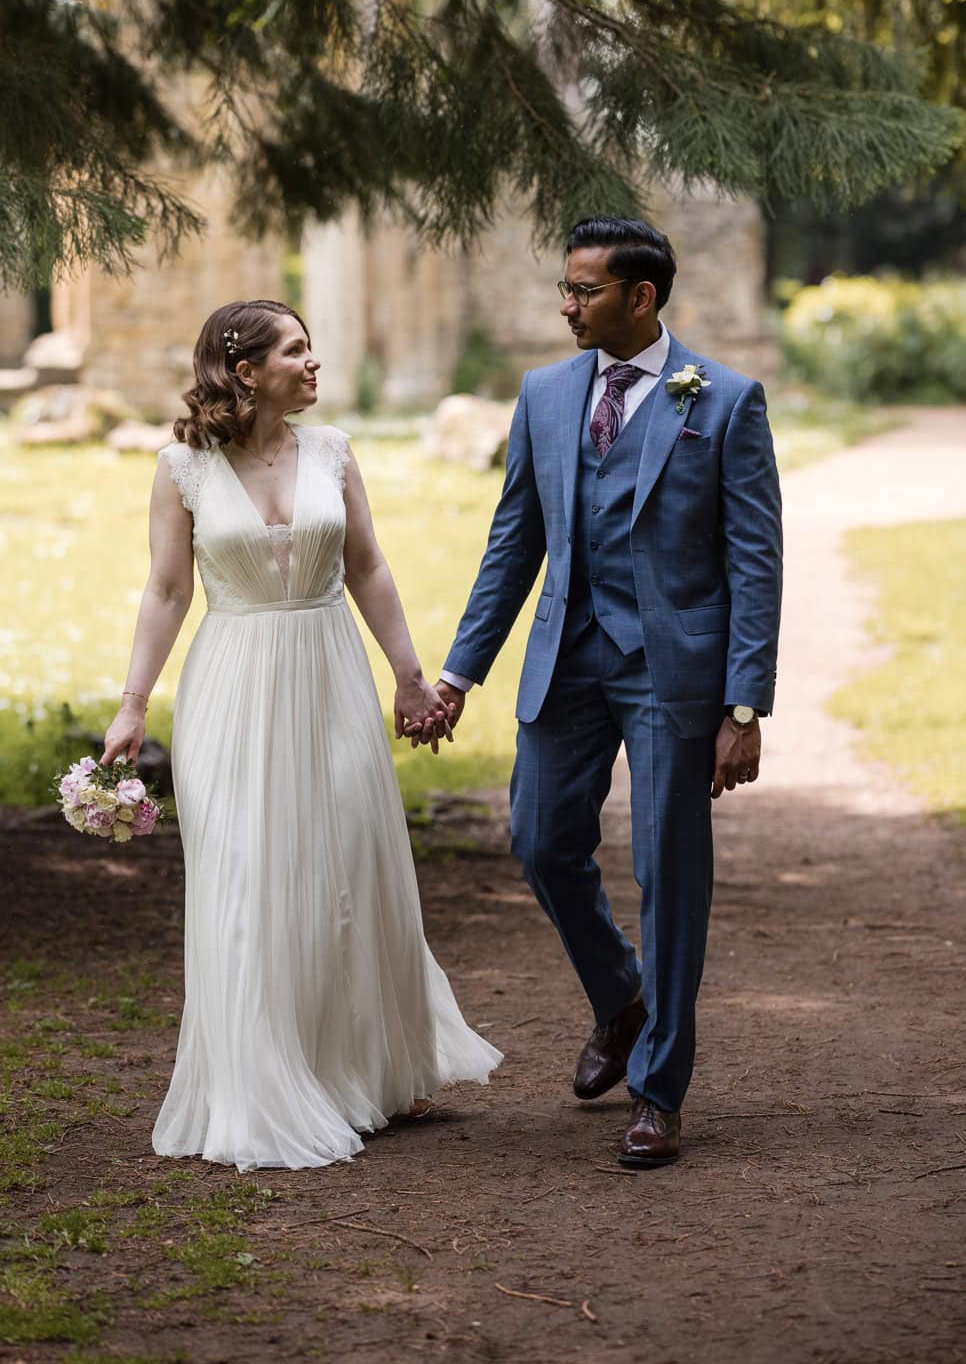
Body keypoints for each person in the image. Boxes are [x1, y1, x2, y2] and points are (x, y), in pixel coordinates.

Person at [103, 298, 501, 1172]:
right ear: (244, 371)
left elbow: (367, 566)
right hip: (234, 685)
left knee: (347, 863)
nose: (314, 363)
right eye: (296, 350)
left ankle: (366, 1070)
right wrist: (133, 704)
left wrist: (408, 676)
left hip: (330, 677)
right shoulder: (182, 467)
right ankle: (260, 1080)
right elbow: (167, 591)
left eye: (314, 347)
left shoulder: (333, 452)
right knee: (247, 870)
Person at [426, 217, 782, 1168]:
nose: (564, 305)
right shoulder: (544, 394)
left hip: (674, 672)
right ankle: (622, 998)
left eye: (583, 291)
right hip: (566, 658)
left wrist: (743, 706)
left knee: (670, 872)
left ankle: (658, 1091)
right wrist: (460, 671)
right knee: (540, 841)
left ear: (641, 297)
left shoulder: (724, 399)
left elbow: (755, 562)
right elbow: (515, 542)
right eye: (564, 287)